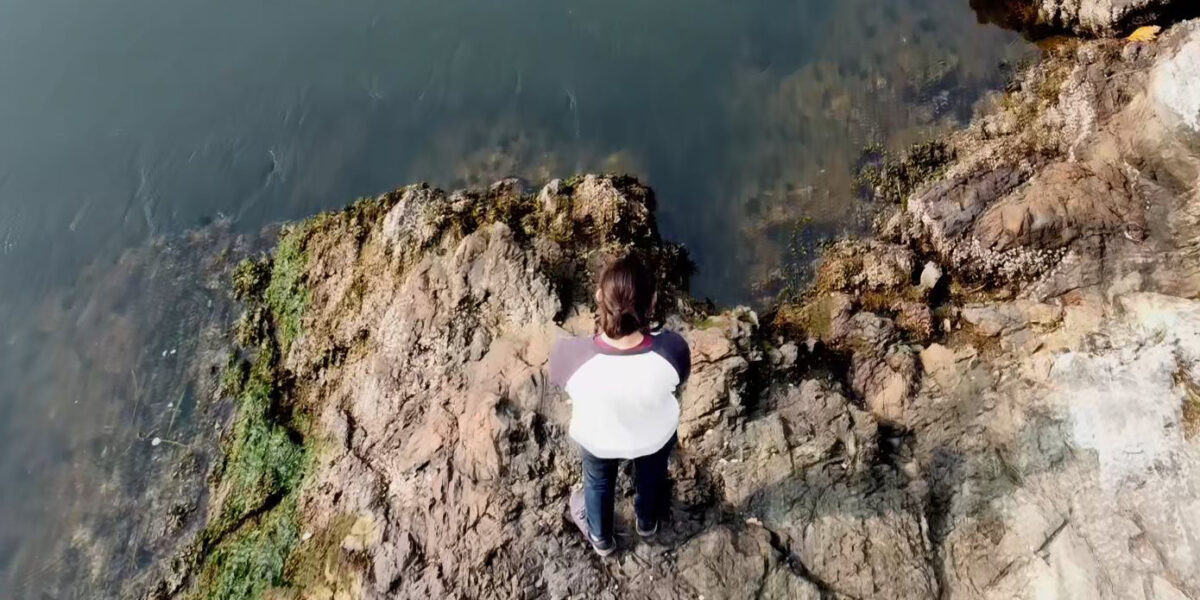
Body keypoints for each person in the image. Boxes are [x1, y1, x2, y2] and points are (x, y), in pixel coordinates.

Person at [549, 254, 691, 556]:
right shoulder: (673, 349)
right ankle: (647, 522)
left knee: (597, 483)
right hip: (654, 436)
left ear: (600, 298)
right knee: (652, 476)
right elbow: (680, 379)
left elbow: (559, 378)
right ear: (651, 304)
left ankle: (601, 540)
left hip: (598, 440)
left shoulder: (569, 355)